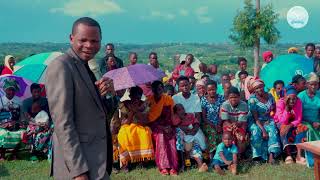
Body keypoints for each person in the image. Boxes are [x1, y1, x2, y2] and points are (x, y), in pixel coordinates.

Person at [45, 17, 114, 180]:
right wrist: (79, 172)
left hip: (96, 162)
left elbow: (102, 114)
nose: (89, 45)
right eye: (83, 40)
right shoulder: (62, 66)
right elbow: (63, 124)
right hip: (79, 166)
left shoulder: (87, 66)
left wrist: (109, 94)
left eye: (94, 41)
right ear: (71, 38)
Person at [172, 76, 206, 171]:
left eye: (186, 85)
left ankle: (199, 163)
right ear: (178, 87)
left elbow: (198, 115)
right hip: (180, 126)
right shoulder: (175, 98)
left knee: (196, 140)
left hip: (193, 124)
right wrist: (183, 128)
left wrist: (195, 128)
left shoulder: (195, 98)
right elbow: (174, 116)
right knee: (179, 138)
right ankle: (182, 163)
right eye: (182, 86)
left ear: (190, 85)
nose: (185, 87)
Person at [117, 86, 154, 172]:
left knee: (145, 133)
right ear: (130, 96)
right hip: (127, 126)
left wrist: (136, 111)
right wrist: (132, 112)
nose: (136, 99)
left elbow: (145, 121)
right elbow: (124, 123)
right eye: (134, 96)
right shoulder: (124, 104)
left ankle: (142, 161)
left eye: (138, 97)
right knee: (123, 133)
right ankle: (125, 163)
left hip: (140, 125)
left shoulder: (144, 104)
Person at [147, 81, 178, 176]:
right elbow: (149, 118)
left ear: (163, 89)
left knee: (171, 138)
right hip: (155, 126)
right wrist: (161, 127)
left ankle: (173, 167)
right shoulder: (149, 101)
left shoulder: (168, 99)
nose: (158, 91)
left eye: (160, 88)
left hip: (168, 125)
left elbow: (172, 115)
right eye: (156, 89)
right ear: (152, 90)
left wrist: (168, 126)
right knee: (161, 136)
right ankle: (163, 167)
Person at [248, 79, 281, 164]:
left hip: (267, 119)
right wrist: (263, 130)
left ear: (263, 86)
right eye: (256, 88)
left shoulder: (270, 96)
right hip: (256, 121)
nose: (259, 89)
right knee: (256, 131)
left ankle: (272, 155)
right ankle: (257, 157)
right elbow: (255, 118)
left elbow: (274, 109)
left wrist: (271, 118)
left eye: (261, 87)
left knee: (273, 129)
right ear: (254, 90)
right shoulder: (252, 99)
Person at [274, 85, 307, 165]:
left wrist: (290, 125)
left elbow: (298, 119)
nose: (292, 101)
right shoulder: (280, 103)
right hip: (281, 122)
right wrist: (287, 108)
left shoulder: (298, 102)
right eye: (289, 99)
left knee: (302, 127)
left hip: (293, 123)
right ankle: (287, 155)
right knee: (283, 128)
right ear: (285, 97)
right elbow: (282, 120)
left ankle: (299, 155)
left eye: (294, 98)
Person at [172, 104, 207, 172]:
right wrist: (180, 117)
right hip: (187, 134)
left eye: (182, 108)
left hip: (194, 130)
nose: (182, 111)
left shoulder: (190, 115)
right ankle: (187, 164)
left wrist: (194, 130)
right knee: (188, 149)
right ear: (176, 112)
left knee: (202, 143)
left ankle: (205, 160)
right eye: (179, 110)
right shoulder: (176, 118)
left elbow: (196, 122)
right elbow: (177, 125)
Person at [298, 72, 320, 167]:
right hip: (304, 121)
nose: (314, 86)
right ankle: (312, 161)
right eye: (311, 84)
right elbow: (298, 114)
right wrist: (312, 122)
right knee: (309, 131)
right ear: (307, 84)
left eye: (316, 84)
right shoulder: (301, 96)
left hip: (318, 121)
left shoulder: (319, 95)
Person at [0, 78, 25, 161]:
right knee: (3, 134)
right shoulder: (0, 101)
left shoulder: (19, 101)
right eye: (9, 90)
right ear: (5, 90)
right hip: (2, 126)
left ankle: (14, 154)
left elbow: (22, 116)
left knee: (23, 133)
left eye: (13, 90)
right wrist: (4, 124)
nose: (11, 92)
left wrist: (18, 122)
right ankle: (2, 155)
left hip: (16, 125)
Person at [220, 87, 249, 154]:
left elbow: (241, 121)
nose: (233, 99)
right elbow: (225, 120)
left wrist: (236, 126)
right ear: (228, 98)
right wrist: (232, 127)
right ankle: (229, 155)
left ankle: (240, 155)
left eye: (235, 97)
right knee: (228, 137)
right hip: (228, 124)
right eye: (231, 97)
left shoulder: (244, 105)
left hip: (240, 124)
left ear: (239, 97)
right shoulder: (225, 105)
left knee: (240, 138)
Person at [201, 80, 225, 158]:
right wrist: (214, 125)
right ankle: (212, 157)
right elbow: (204, 117)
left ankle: (223, 156)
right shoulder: (204, 100)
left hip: (220, 122)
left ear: (216, 88)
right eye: (209, 90)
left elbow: (222, 113)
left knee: (224, 134)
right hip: (207, 123)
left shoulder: (221, 97)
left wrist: (219, 124)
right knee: (213, 133)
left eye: (213, 89)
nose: (212, 91)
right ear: (206, 90)